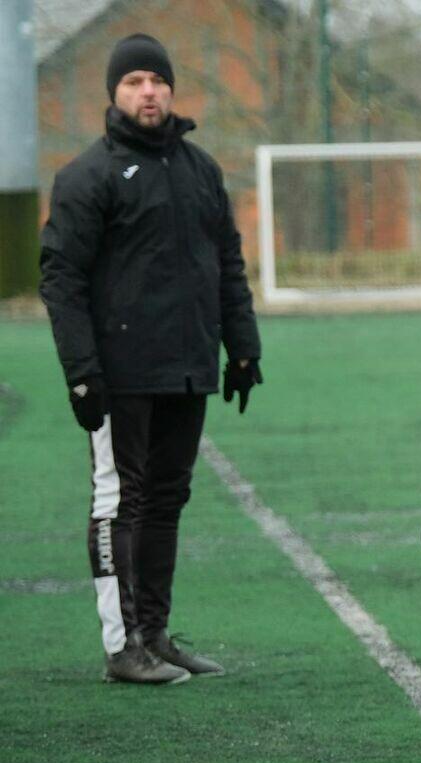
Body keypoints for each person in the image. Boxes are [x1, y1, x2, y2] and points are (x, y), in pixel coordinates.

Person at [40, 34, 263, 685]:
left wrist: (242, 348)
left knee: (166, 498)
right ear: (114, 92)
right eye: (135, 81)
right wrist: (82, 374)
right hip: (119, 376)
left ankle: (155, 634)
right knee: (120, 500)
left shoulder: (200, 170)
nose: (149, 91)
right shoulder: (87, 176)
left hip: (186, 367)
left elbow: (227, 263)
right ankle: (122, 646)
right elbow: (61, 279)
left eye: (158, 81)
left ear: (171, 90)